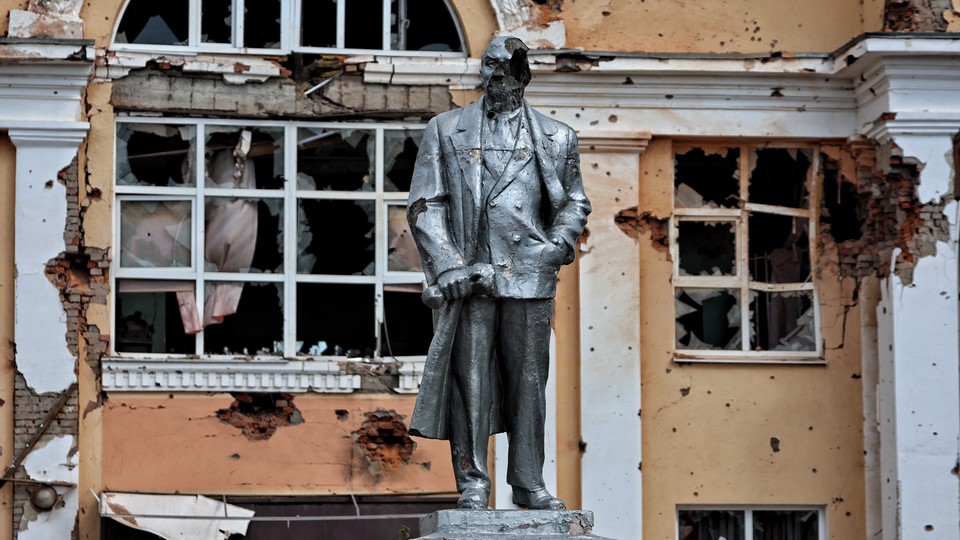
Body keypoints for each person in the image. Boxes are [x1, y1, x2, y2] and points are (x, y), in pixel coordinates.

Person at [406, 35, 591, 510]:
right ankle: (472, 482)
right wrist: (446, 263)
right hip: (470, 277)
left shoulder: (556, 136)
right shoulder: (446, 129)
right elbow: (427, 203)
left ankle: (528, 482)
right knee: (470, 381)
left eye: (506, 71)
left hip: (530, 275)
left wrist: (558, 245)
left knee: (529, 382)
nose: (495, 79)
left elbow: (574, 201)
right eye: (489, 68)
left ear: (524, 76)